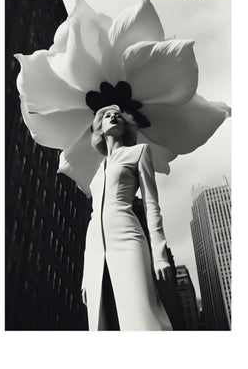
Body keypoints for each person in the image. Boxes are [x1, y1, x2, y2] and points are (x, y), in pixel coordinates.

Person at [80, 104, 173, 331]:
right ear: (100, 129)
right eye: (107, 116)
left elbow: (151, 204)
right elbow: (93, 218)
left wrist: (159, 252)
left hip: (128, 237)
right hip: (95, 249)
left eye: (118, 117)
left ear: (125, 128)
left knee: (142, 313)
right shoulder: (97, 170)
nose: (113, 117)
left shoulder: (139, 152)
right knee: (102, 321)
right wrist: (85, 273)